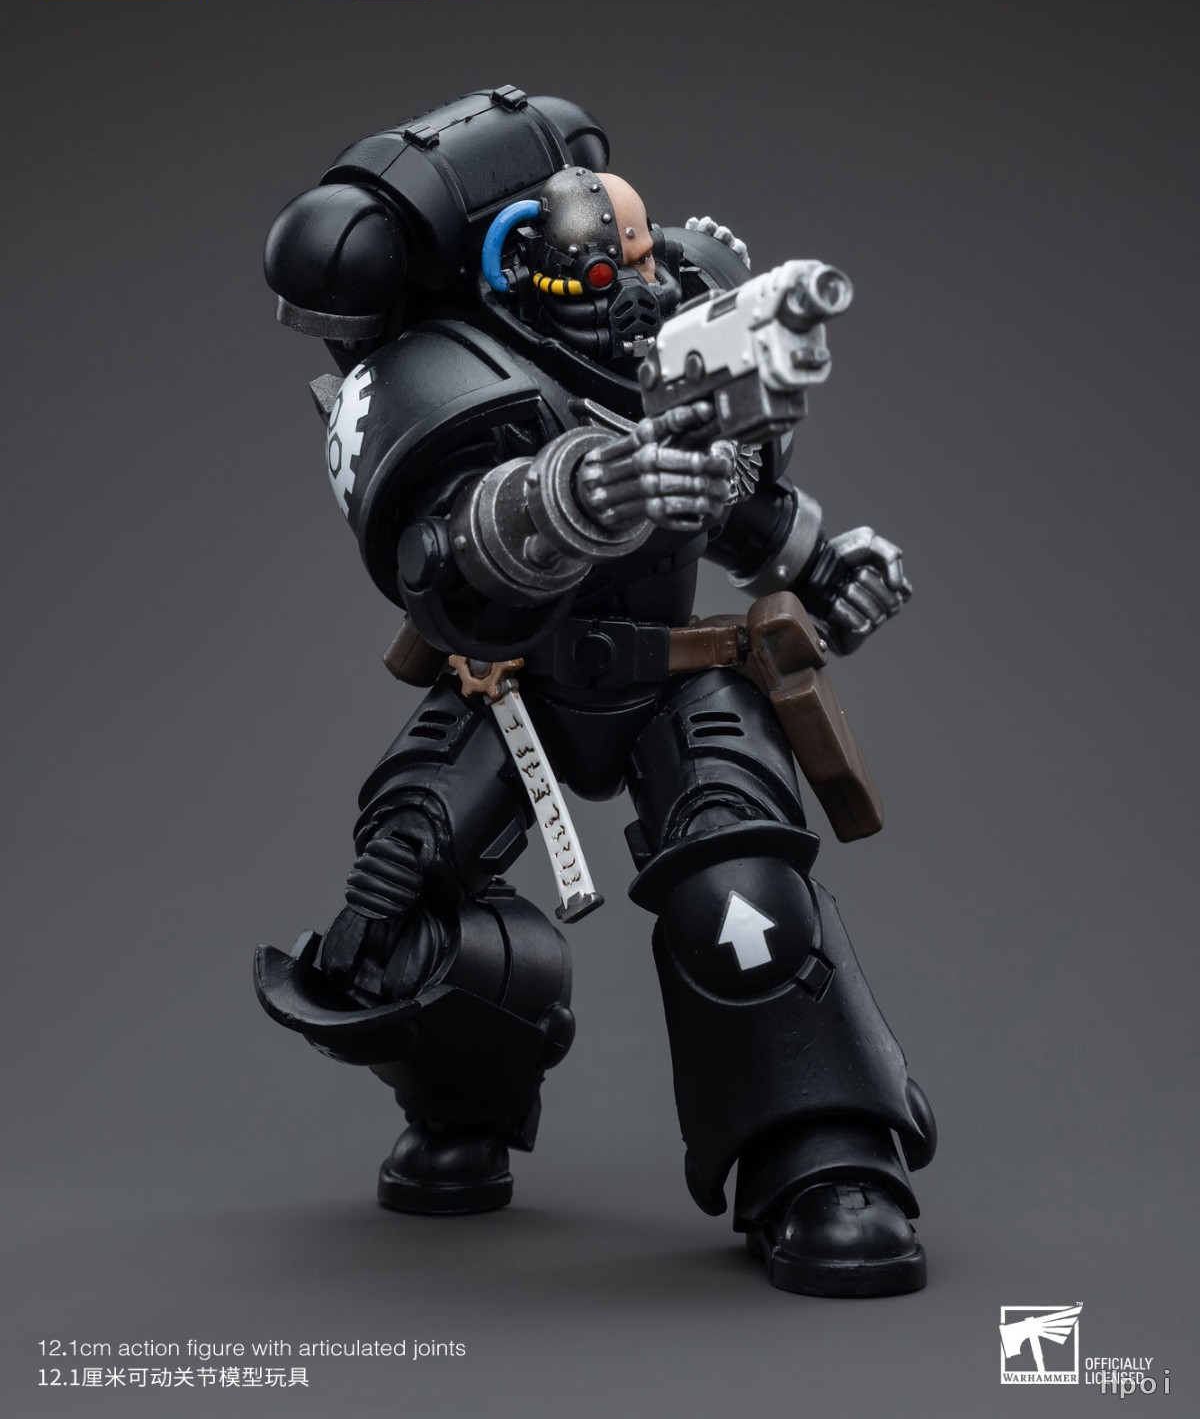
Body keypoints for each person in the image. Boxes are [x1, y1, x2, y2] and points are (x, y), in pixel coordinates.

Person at [255, 93, 935, 1298]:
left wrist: (830, 564)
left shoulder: (678, 323)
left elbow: (748, 509)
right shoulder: (447, 369)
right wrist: (571, 498)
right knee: (399, 879)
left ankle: (823, 1150)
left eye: (641, 260)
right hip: (514, 679)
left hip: (672, 669)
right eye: (601, 271)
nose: (633, 292)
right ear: (517, 269)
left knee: (739, 874)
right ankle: (463, 1102)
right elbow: (440, 552)